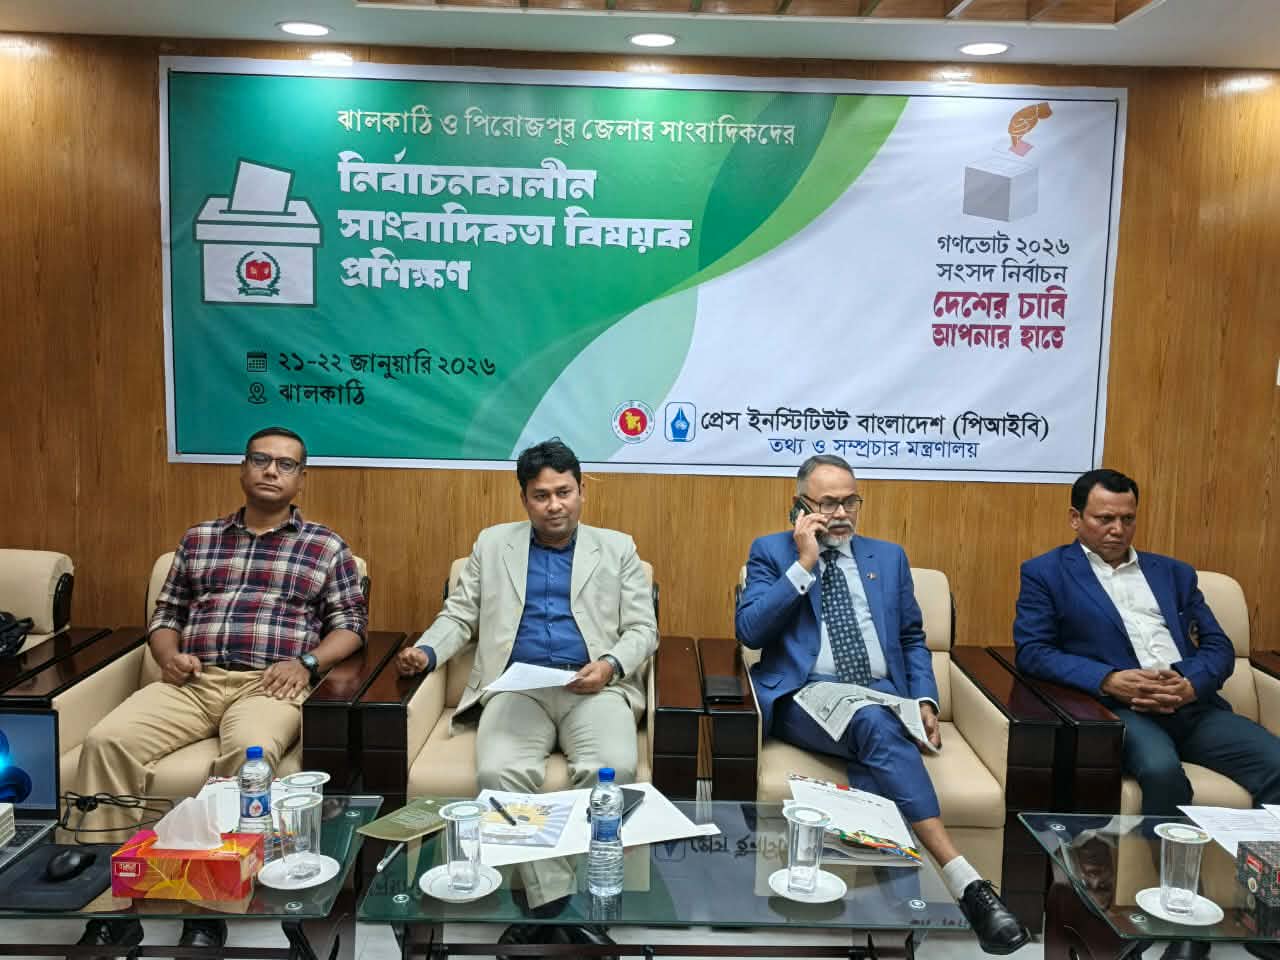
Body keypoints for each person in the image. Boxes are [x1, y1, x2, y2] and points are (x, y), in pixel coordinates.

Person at [69, 427, 367, 957]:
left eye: (286, 464)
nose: (271, 471)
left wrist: (306, 663)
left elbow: (351, 626)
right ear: (243, 468)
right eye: (261, 459)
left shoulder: (325, 546)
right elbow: (166, 616)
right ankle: (108, 907)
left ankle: (209, 907)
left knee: (249, 757)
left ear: (301, 479)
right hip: (191, 679)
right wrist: (168, 655)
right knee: (106, 741)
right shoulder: (199, 539)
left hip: (270, 684)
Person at [736, 454, 1030, 956]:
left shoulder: (888, 558)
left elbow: (913, 638)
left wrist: (925, 699)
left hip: (883, 697)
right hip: (805, 696)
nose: (842, 513)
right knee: (874, 722)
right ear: (801, 507)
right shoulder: (770, 552)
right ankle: (964, 880)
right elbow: (751, 630)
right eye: (828, 503)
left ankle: (893, 927)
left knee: (875, 742)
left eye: (851, 501)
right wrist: (804, 562)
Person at [396, 439, 657, 954]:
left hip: (594, 686)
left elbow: (642, 630)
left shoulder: (618, 548)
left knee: (612, 770)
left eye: (564, 492)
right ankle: (560, 910)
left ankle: (546, 915)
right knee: (498, 773)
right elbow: (459, 616)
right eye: (541, 495)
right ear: (524, 499)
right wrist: (426, 653)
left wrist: (608, 665)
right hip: (518, 688)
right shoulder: (493, 545)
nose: (554, 505)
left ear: (581, 492)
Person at [1014, 468, 1280, 960]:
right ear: (1075, 518)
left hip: (1190, 705)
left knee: (1277, 764)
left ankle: (1266, 911)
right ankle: (1182, 917)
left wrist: (1190, 681)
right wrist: (1108, 679)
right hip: (1121, 708)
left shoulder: (1173, 573)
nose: (1117, 529)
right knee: (1160, 772)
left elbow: (1219, 647)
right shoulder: (1046, 573)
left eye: (1127, 519)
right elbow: (1033, 651)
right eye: (1104, 519)